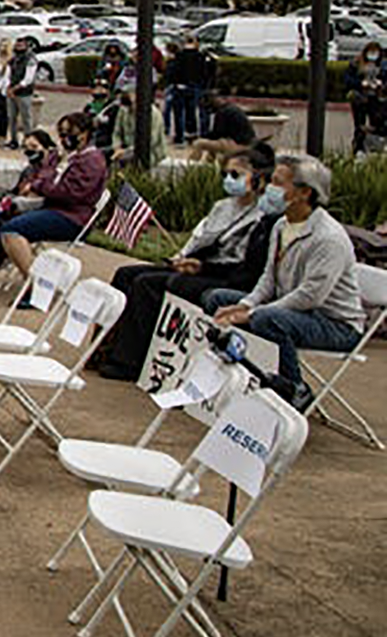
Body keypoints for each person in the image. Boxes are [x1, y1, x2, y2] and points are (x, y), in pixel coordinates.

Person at [96, 148, 279, 380]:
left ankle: (131, 361)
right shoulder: (223, 206)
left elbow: (243, 265)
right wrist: (182, 258)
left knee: (149, 284)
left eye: (236, 174)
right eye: (226, 174)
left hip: (224, 274)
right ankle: (105, 349)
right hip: (200, 264)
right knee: (125, 274)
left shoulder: (262, 216)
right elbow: (201, 240)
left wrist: (200, 267)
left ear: (259, 178)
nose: (229, 180)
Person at [204, 155, 367, 409]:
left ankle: (293, 388)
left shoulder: (328, 238)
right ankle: (234, 377)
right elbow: (268, 278)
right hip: (291, 309)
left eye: (278, 183)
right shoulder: (281, 226)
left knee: (266, 319)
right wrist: (246, 304)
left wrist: (253, 313)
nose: (270, 187)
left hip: (334, 324)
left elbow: (310, 296)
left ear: (304, 192)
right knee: (217, 299)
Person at [0, 111, 108, 284]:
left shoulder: (91, 160)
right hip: (50, 207)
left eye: (70, 132)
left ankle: (33, 284)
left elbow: (67, 194)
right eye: (61, 133)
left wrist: (42, 185)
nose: (64, 137)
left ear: (85, 133)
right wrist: (47, 176)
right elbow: (44, 177)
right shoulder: (66, 156)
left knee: (11, 230)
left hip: (71, 216)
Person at [165, 33, 214, 145]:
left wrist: (175, 82)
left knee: (179, 113)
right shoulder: (201, 56)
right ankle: (196, 134)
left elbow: (172, 72)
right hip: (197, 86)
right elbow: (207, 72)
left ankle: (180, 137)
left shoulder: (179, 56)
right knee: (195, 111)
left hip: (180, 86)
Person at [343, 41, 384, 151]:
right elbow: (347, 80)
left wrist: (380, 85)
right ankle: (358, 147)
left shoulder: (383, 66)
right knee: (359, 125)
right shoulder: (356, 64)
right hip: (360, 98)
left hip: (376, 99)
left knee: (376, 126)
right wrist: (360, 83)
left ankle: (374, 146)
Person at [192, 90, 256, 160]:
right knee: (213, 147)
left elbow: (218, 134)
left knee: (198, 143)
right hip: (247, 142)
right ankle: (210, 164)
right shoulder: (231, 108)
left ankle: (193, 164)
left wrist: (202, 137)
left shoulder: (222, 113)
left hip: (239, 144)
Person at [5, 38, 41, 145]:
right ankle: (13, 139)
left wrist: (16, 88)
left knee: (26, 118)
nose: (18, 47)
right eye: (17, 45)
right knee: (12, 118)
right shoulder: (14, 59)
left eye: (21, 45)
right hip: (12, 92)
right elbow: (8, 74)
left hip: (24, 92)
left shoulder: (31, 59)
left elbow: (28, 79)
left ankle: (28, 139)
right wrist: (8, 87)